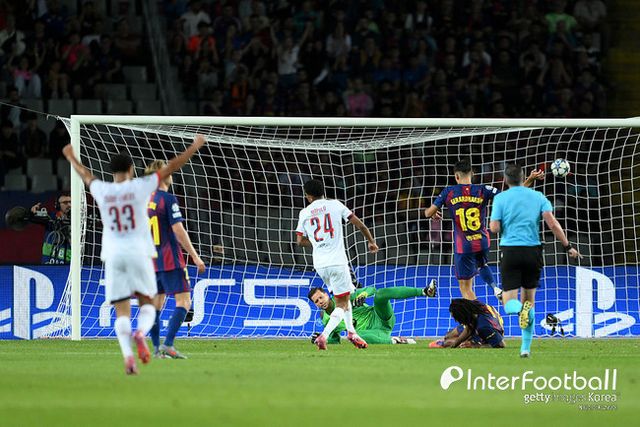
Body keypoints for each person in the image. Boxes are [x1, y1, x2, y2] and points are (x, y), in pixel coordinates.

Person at [62, 134, 206, 374]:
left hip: (113, 256)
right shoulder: (142, 188)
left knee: (122, 311)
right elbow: (172, 166)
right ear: (131, 169)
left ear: (111, 172)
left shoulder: (103, 190)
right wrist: (194, 146)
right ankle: (143, 334)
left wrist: (70, 156)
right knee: (149, 304)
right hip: (142, 254)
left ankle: (129, 356)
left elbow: (86, 175)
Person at [489, 164, 581, 358]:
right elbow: (553, 224)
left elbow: (494, 228)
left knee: (509, 303)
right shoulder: (538, 197)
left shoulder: (500, 198)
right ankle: (525, 349)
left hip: (510, 251)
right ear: (523, 177)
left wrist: (506, 224)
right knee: (529, 301)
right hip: (533, 252)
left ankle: (520, 311)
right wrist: (568, 247)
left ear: (505, 179)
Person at [424, 159, 543, 301]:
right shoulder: (483, 190)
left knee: (465, 288)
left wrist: (433, 213)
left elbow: (427, 213)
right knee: (482, 264)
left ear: (456, 176)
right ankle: (495, 288)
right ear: (472, 174)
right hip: (482, 241)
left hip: (464, 246)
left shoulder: (448, 192)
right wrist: (530, 179)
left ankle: (481, 314)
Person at [295, 179, 378, 350]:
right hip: (337, 262)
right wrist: (371, 241)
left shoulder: (304, 212)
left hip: (320, 264)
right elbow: (359, 224)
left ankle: (352, 332)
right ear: (323, 192)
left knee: (345, 298)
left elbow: (300, 241)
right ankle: (324, 336)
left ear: (308, 196)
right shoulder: (335, 205)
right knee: (342, 304)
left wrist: (318, 243)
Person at [144, 160, 206, 359]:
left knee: (155, 304)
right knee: (184, 301)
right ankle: (168, 344)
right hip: (170, 259)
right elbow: (178, 229)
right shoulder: (167, 199)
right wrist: (195, 256)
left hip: (151, 260)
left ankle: (156, 349)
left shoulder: (144, 200)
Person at [308, 281, 437, 345]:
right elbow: (335, 339)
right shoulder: (326, 319)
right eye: (316, 301)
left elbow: (372, 289)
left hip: (380, 317)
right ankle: (396, 341)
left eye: (321, 297)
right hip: (372, 334)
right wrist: (322, 339)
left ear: (326, 294)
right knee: (354, 336)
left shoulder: (344, 297)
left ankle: (424, 291)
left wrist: (363, 294)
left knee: (380, 294)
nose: (320, 302)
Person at [429, 299, 504, 348]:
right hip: (489, 321)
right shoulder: (474, 307)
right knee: (448, 336)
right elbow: (469, 328)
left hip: (491, 331)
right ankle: (446, 342)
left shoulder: (483, 327)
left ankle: (445, 343)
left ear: (462, 315)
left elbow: (501, 344)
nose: (456, 320)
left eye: (456, 317)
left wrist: (475, 345)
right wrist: (455, 344)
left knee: (449, 342)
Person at [30, 193, 72, 264]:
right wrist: (32, 213)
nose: (69, 205)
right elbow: (33, 219)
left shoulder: (78, 221)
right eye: (65, 202)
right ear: (57, 205)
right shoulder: (50, 217)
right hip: (48, 262)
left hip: (69, 264)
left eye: (70, 202)